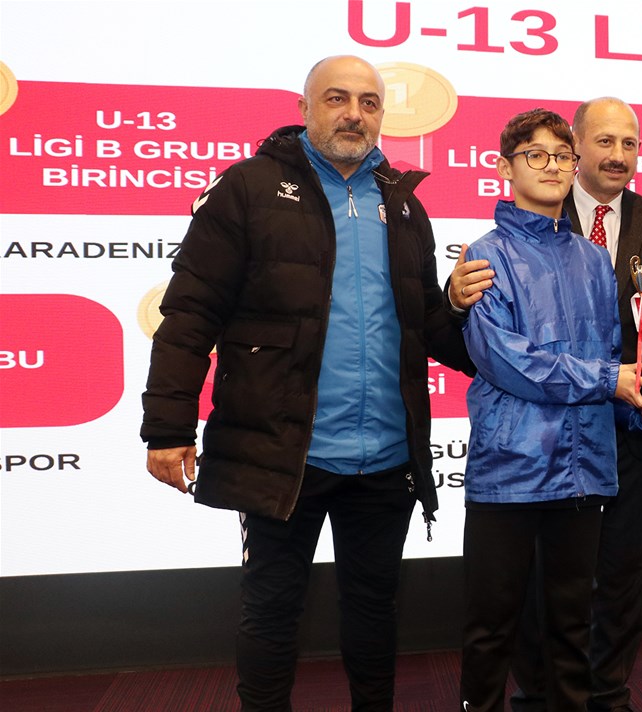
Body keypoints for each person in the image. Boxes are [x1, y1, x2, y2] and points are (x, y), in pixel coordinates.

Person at [140, 55, 474, 711]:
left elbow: (427, 325)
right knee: (272, 608)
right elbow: (191, 313)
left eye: (369, 103)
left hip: (386, 456)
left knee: (375, 609)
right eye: (336, 98)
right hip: (282, 450)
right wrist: (168, 427)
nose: (354, 114)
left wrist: (478, 326)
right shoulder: (247, 188)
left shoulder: (404, 205)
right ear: (304, 109)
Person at [456, 108, 642, 712]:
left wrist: (641, 404)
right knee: (492, 628)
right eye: (535, 155)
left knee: (574, 629)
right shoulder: (485, 255)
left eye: (562, 156)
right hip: (511, 468)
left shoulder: (594, 260)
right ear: (505, 168)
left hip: (584, 467)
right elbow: (507, 361)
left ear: (575, 167)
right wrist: (611, 381)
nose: (551, 166)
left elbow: (609, 354)